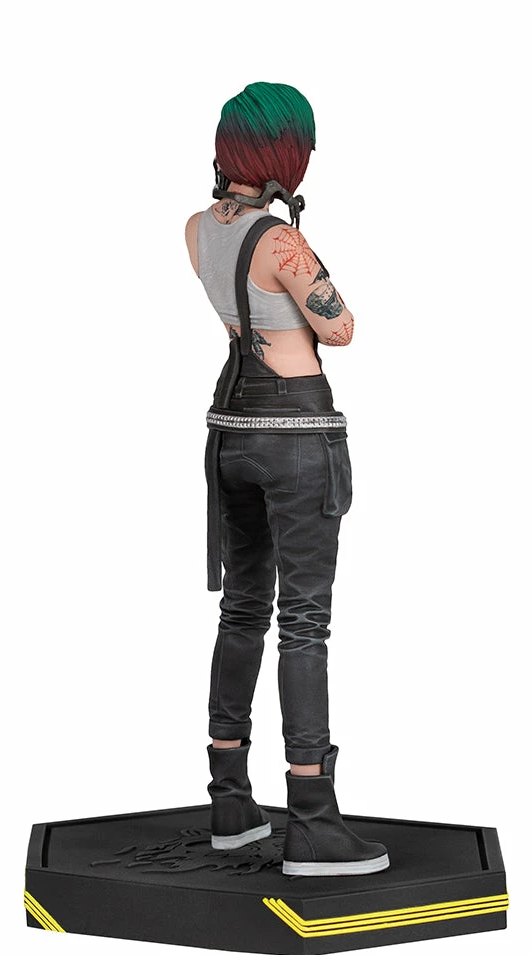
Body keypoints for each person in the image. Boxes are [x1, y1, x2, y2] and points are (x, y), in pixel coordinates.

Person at [185, 82, 389, 876]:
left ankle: (229, 802)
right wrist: (303, 263)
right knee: (304, 622)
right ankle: (311, 821)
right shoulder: (280, 242)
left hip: (230, 428)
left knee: (242, 610)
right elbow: (340, 329)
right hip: (297, 435)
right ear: (284, 154)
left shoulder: (196, 229)